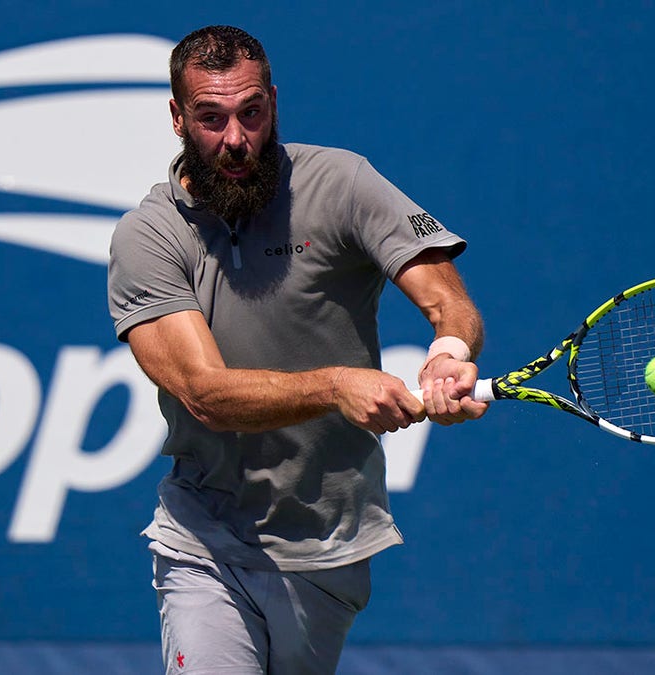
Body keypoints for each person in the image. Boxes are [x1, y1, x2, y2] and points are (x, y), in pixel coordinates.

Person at [107, 25, 487, 675]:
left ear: (274, 103)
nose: (235, 139)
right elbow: (205, 393)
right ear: (177, 117)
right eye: (211, 117)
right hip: (207, 538)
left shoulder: (341, 183)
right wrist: (337, 385)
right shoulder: (149, 236)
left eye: (251, 113)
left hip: (329, 544)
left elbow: (445, 298)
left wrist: (448, 351)